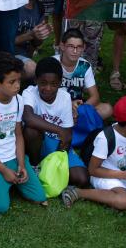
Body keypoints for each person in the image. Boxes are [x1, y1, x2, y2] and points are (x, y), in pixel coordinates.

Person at [0, 53, 48, 214]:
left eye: (19, 81)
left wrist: (21, 164)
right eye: (12, 82)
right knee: (0, 207)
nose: (17, 86)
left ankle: (11, 181)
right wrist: (3, 170)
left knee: (39, 196)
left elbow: (18, 135)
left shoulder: (18, 100)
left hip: (13, 158)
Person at [60, 94, 126, 210]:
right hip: (104, 175)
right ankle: (78, 192)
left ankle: (114, 196)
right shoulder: (106, 138)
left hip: (124, 175)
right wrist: (124, 175)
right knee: (124, 202)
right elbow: (93, 170)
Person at [22, 57, 87, 186]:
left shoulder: (65, 97)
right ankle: (35, 166)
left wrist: (55, 164)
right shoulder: (29, 92)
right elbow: (28, 117)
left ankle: (47, 171)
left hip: (57, 144)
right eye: (43, 83)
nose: (48, 88)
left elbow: (67, 136)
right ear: (36, 81)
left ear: (60, 82)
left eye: (53, 84)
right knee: (31, 130)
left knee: (82, 179)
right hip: (37, 143)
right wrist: (59, 130)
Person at [56, 29, 113, 120]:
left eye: (78, 47)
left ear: (83, 48)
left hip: (78, 106)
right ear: (62, 46)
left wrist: (78, 109)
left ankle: (74, 121)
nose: (75, 51)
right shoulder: (53, 63)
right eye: (71, 46)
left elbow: (95, 97)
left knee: (107, 109)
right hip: (56, 105)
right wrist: (68, 106)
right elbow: (46, 93)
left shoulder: (84, 66)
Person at [14, 0, 53, 80]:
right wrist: (31, 34)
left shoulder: (39, 7)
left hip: (25, 57)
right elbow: (2, 42)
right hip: (6, 55)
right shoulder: (12, 6)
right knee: (32, 69)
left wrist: (40, 36)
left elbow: (35, 44)